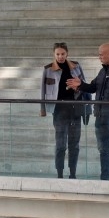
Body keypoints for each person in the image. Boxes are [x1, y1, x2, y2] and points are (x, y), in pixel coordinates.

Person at [67, 42, 109, 181]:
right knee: (103, 150)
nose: (99, 57)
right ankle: (105, 178)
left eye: (101, 54)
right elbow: (92, 87)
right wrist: (81, 85)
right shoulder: (103, 71)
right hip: (100, 117)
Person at [40, 42, 88, 179]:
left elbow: (84, 86)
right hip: (59, 110)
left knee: (75, 144)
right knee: (60, 145)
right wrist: (42, 109)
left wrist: (78, 89)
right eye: (58, 54)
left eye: (63, 54)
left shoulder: (76, 66)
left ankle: (73, 173)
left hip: (76, 108)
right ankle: (59, 174)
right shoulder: (48, 69)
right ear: (53, 54)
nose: (60, 57)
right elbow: (43, 90)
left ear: (67, 54)